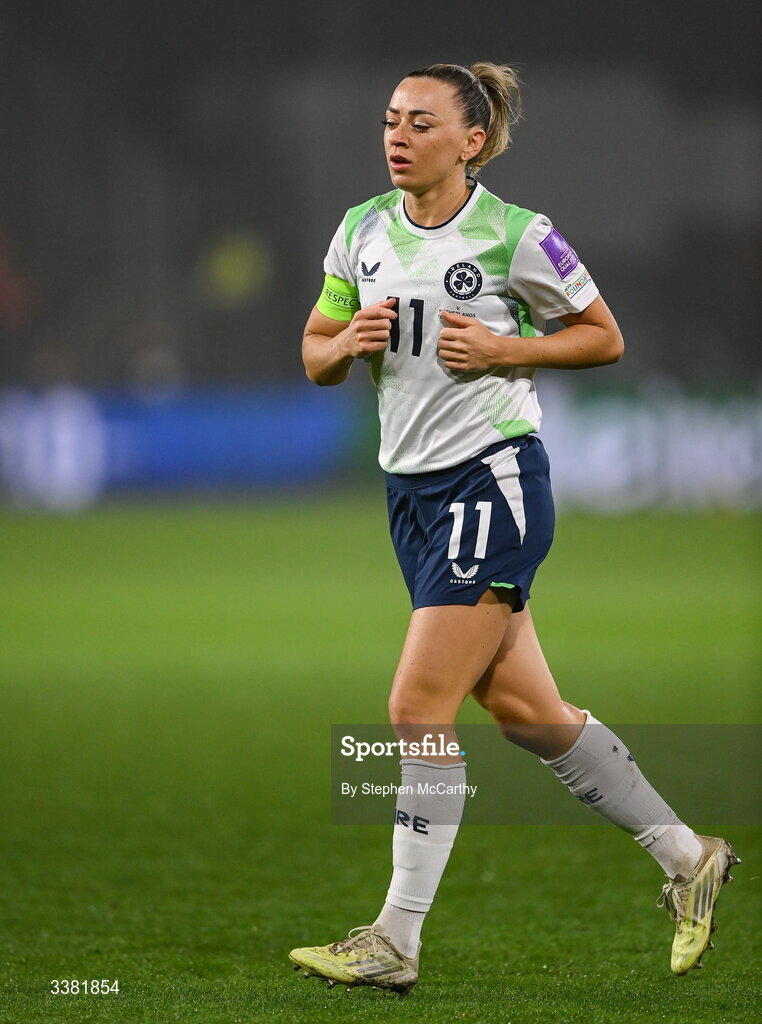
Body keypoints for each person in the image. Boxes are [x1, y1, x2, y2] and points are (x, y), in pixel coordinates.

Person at [288, 62, 738, 995]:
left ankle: (394, 940)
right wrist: (346, 343)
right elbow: (312, 352)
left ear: (472, 142)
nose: (396, 134)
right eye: (389, 119)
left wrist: (509, 347)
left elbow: (604, 334)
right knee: (530, 716)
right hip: (409, 496)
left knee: (417, 708)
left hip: (491, 483)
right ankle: (689, 858)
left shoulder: (516, 236)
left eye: (419, 121)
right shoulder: (361, 229)